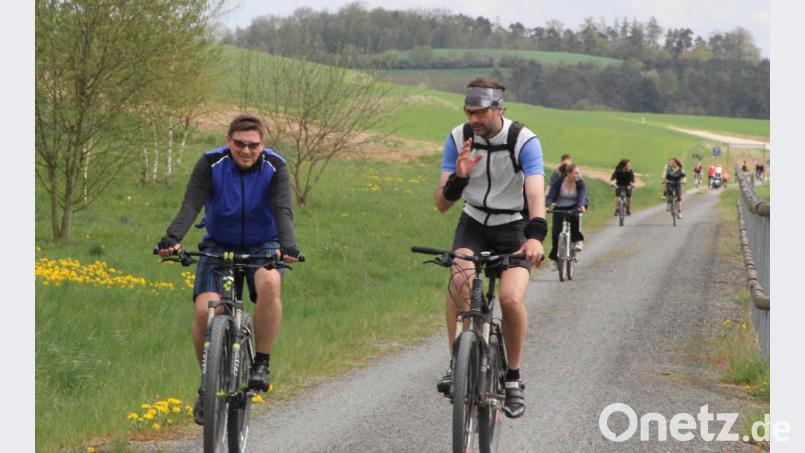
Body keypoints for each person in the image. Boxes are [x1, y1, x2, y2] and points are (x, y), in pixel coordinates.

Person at [156, 114, 300, 425]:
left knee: (270, 284)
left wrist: (288, 245)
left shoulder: (275, 166)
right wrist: (173, 237)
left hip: (264, 243)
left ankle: (261, 362)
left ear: (263, 144)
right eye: (240, 144)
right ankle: (208, 386)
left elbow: (282, 208)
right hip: (219, 245)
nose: (246, 151)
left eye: (253, 145)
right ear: (228, 141)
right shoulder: (210, 163)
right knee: (204, 311)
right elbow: (191, 204)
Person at [434, 78, 546, 419]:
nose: (473, 119)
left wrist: (536, 236)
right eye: (468, 112)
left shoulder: (523, 141)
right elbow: (441, 203)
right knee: (460, 279)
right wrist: (461, 177)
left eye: (480, 112)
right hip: (474, 223)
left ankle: (513, 377)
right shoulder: (457, 139)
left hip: (514, 226)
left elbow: (536, 194)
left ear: (499, 109)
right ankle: (458, 362)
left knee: (511, 299)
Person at [547, 163, 587, 265]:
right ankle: (555, 259)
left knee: (575, 218)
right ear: (568, 174)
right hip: (560, 207)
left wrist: (582, 205)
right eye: (576, 173)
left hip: (574, 206)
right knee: (556, 234)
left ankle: (577, 240)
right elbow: (551, 195)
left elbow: (582, 195)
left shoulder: (580, 183)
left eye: (578, 173)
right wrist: (547, 205)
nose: (578, 175)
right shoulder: (559, 182)